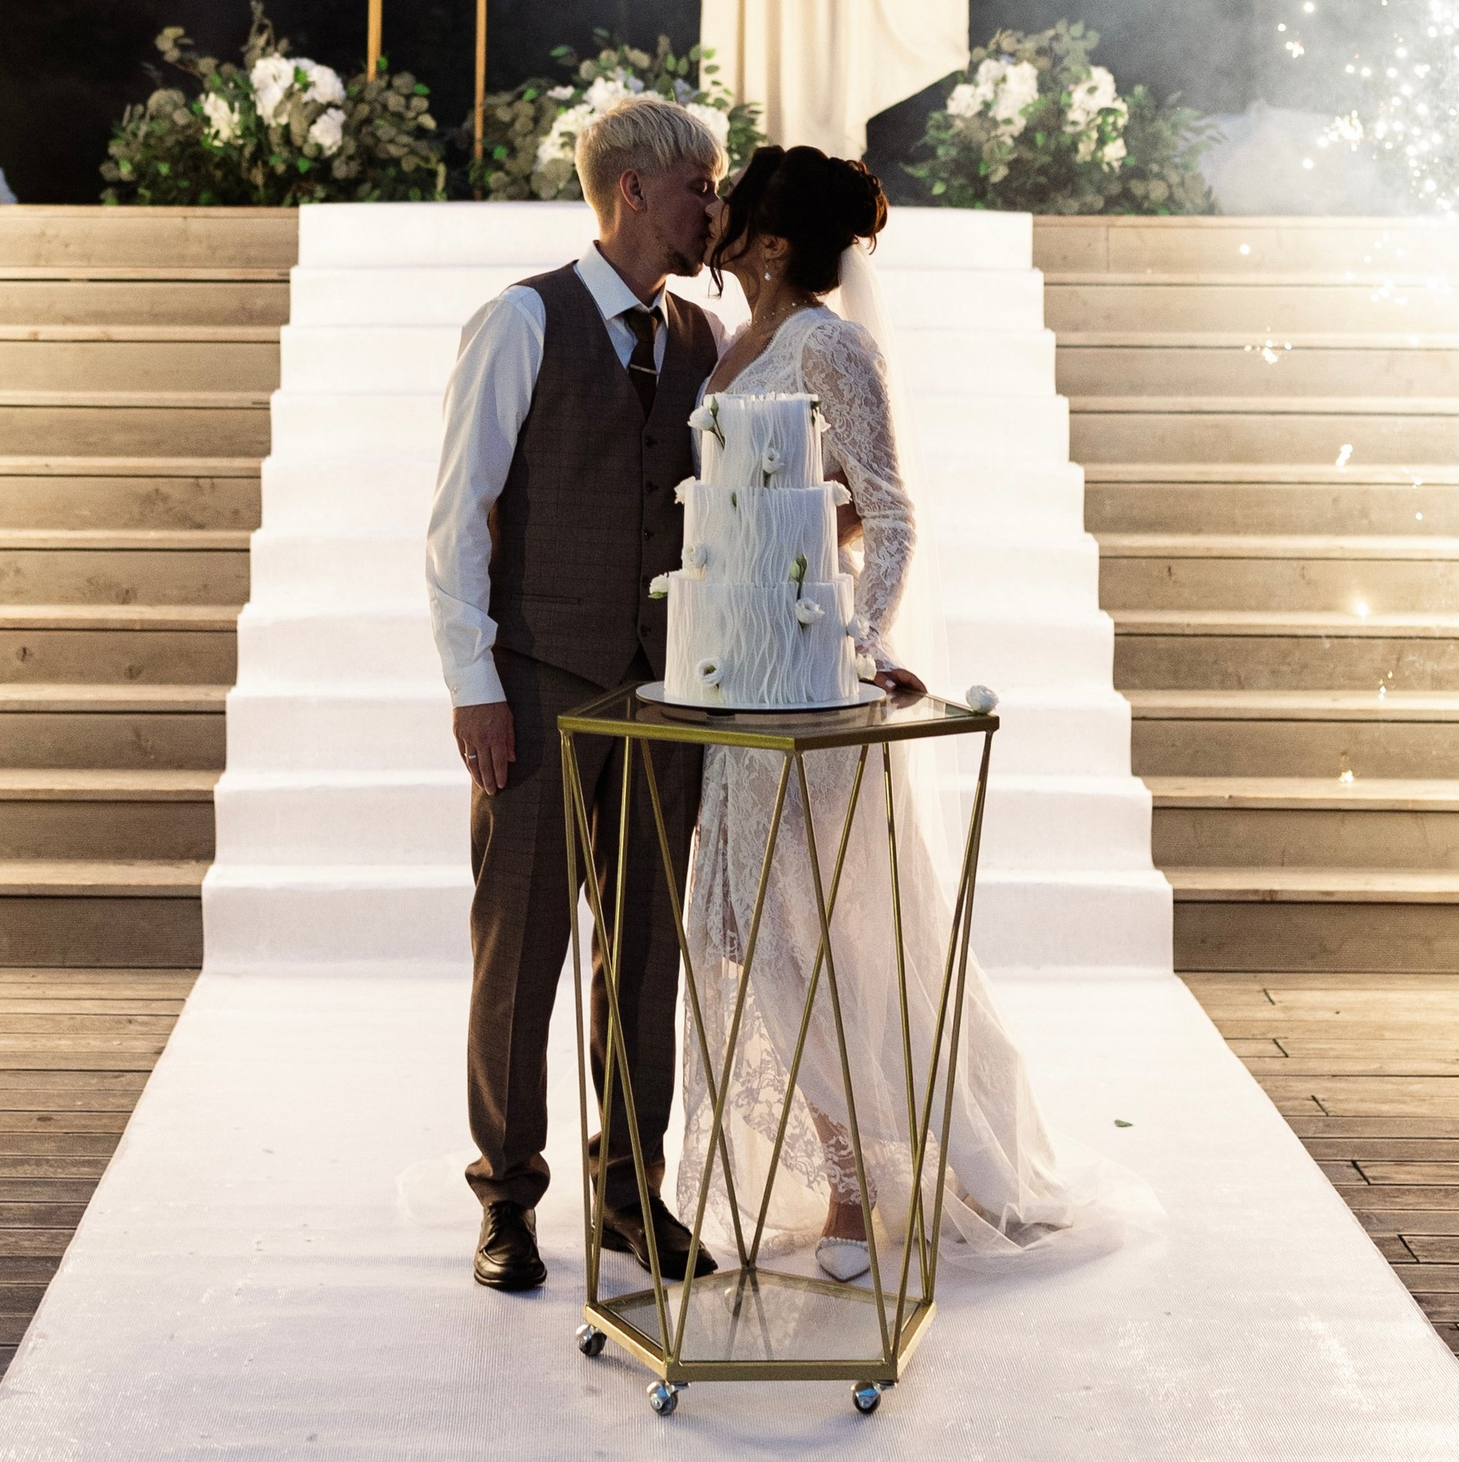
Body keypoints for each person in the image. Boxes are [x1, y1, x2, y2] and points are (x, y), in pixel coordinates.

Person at [677, 143, 1070, 1274]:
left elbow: (888, 508)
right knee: (739, 925)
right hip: (726, 663)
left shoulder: (829, 343)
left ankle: (859, 1191)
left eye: (733, 202)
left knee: (817, 927)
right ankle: (829, 1159)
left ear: (771, 240)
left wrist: (864, 637)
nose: (715, 212)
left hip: (805, 669)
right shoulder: (725, 339)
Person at [424, 92, 729, 1297]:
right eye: (701, 185)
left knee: (647, 949)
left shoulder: (704, 334)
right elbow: (459, 514)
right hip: (539, 679)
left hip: (666, 688)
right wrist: (473, 682)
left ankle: (627, 1192)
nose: (715, 207)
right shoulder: (520, 319)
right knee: (521, 947)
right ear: (633, 189)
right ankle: (506, 1194)